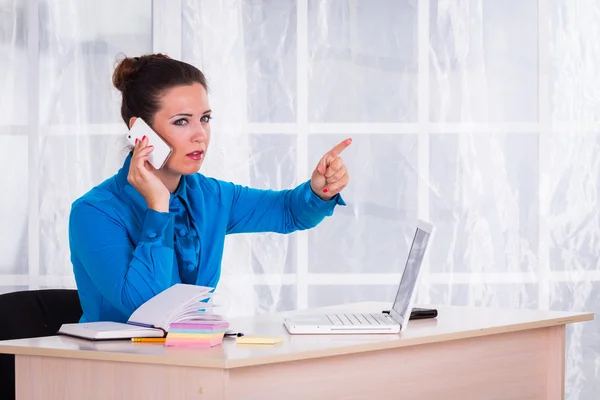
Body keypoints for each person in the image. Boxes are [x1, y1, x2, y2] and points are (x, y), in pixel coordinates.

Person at [68, 53, 351, 323]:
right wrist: (158, 207)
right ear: (141, 130)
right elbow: (145, 306)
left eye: (204, 118)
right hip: (117, 367)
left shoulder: (208, 196)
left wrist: (319, 190)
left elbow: (288, 212)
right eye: (181, 121)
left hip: (192, 361)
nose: (200, 135)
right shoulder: (94, 213)